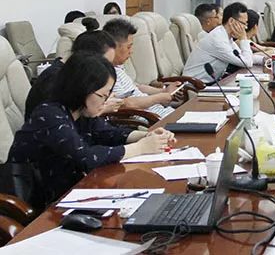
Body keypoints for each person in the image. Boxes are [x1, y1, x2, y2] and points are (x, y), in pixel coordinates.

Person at [8, 53, 174, 208]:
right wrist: (140, 148)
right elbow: (87, 157)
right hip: (39, 204)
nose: (105, 102)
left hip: (72, 192)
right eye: (103, 96)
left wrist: (147, 136)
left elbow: (109, 133)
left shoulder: (80, 112)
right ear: (82, 89)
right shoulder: (49, 114)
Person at [25, 29, 121, 118]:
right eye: (104, 63)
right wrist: (101, 108)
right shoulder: (55, 79)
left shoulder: (68, 72)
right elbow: (67, 118)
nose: (107, 70)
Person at [103, 19, 183, 112]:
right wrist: (159, 97)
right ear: (113, 47)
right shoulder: (107, 74)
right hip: (151, 118)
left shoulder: (118, 67)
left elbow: (135, 88)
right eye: (128, 47)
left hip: (162, 112)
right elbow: (124, 104)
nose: (131, 51)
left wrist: (163, 91)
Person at [183, 2, 255, 83]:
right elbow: (247, 63)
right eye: (243, 23)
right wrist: (243, 38)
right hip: (196, 85)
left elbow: (242, 57)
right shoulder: (218, 39)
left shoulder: (225, 35)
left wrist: (263, 60)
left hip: (212, 83)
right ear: (231, 21)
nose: (245, 27)